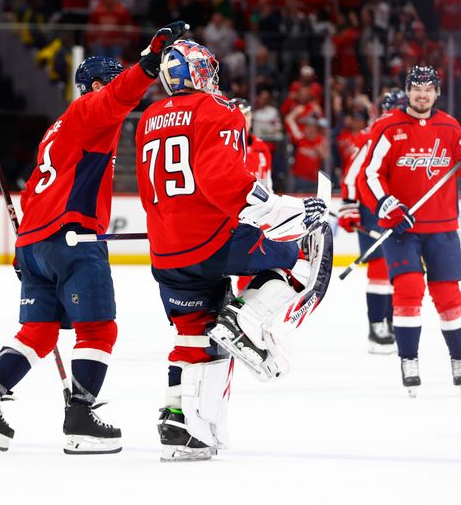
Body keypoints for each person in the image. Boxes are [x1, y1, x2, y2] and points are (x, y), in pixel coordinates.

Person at [0, 22, 191, 455]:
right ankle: (81, 417)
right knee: (99, 328)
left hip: (36, 243)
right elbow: (121, 94)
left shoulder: (57, 129)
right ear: (98, 85)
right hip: (74, 240)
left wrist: (23, 246)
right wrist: (149, 60)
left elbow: (32, 192)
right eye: (112, 80)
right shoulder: (89, 111)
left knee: (39, 331)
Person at [135, 39, 331, 461]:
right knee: (296, 254)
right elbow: (224, 181)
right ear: (193, 72)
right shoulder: (216, 108)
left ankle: (179, 423)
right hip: (212, 239)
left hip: (166, 250)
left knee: (193, 331)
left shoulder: (149, 116)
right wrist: (289, 210)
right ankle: (245, 318)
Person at [356, 66, 461, 396]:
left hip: (442, 229)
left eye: (428, 89)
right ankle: (409, 360)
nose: (422, 94)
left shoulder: (449, 126)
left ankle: (459, 360)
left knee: (449, 297)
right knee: (409, 290)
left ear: (436, 93)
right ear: (408, 91)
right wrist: (388, 205)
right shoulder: (388, 127)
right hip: (402, 228)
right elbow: (369, 175)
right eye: (416, 88)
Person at [338, 89, 407, 354]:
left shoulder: (405, 135)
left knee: (396, 270)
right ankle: (377, 328)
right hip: (372, 210)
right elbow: (351, 175)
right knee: (380, 269)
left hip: (395, 211)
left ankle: (388, 323)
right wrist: (349, 207)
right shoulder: (372, 135)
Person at [231, 97, 274, 294]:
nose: (244, 119)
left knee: (253, 266)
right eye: (239, 114)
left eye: (247, 114)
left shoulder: (261, 147)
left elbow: (267, 182)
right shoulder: (226, 144)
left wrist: (272, 207)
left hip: (256, 215)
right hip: (231, 214)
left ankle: (244, 305)